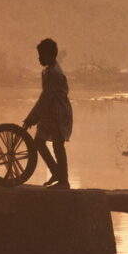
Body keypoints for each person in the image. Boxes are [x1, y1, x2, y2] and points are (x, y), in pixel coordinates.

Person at [22, 37, 72, 188]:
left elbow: (46, 97)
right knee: (38, 142)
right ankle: (56, 172)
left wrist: (32, 117)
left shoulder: (55, 73)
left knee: (58, 145)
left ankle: (64, 181)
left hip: (59, 114)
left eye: (41, 55)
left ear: (50, 55)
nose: (39, 58)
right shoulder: (49, 70)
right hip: (50, 113)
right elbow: (45, 99)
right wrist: (35, 116)